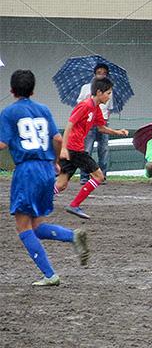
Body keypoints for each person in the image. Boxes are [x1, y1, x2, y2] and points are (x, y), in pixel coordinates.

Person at [0, 70, 89, 286]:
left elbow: (2, 144)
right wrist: (55, 162)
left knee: (23, 226)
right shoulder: (43, 109)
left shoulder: (9, 113)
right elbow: (58, 139)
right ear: (33, 90)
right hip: (46, 170)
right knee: (37, 224)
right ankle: (72, 236)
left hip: (26, 171)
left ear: (12, 90)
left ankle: (50, 275)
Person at [55, 77, 129, 220]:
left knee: (61, 184)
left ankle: (37, 201)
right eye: (108, 93)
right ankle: (74, 205)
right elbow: (69, 124)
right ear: (99, 92)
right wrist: (63, 148)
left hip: (74, 148)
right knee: (98, 176)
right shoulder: (85, 105)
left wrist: (117, 132)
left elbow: (101, 128)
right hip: (74, 149)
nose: (109, 96)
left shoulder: (96, 108)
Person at [77, 63, 113, 185]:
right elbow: (79, 103)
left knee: (104, 150)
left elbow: (110, 108)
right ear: (94, 74)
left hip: (103, 122)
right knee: (87, 149)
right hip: (89, 122)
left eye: (104, 73)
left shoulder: (109, 90)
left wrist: (106, 119)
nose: (101, 75)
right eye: (99, 72)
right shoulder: (86, 88)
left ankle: (102, 176)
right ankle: (84, 176)